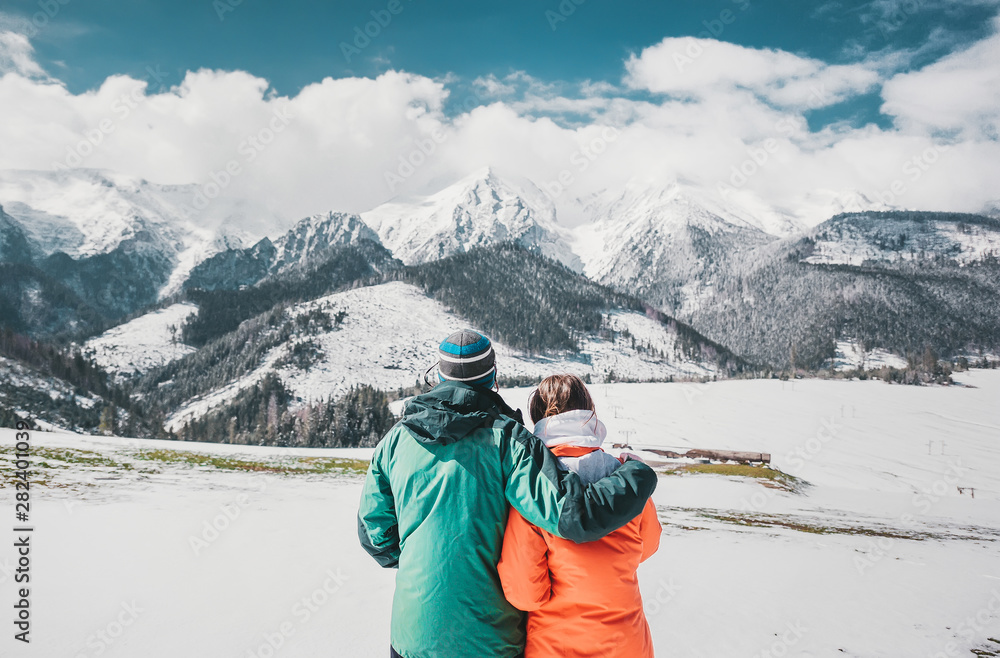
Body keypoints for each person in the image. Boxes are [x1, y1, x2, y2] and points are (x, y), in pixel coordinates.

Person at [358, 330, 658, 658]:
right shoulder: (511, 443)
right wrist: (636, 473)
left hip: (412, 635)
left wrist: (428, 560)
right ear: (493, 378)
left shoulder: (395, 441)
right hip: (490, 641)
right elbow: (571, 515)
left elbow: (376, 537)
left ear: (438, 376)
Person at [497, 374, 661, 658]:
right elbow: (648, 546)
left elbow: (524, 593)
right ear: (589, 413)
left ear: (538, 420)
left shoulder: (535, 491)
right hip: (627, 643)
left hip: (555, 646)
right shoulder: (628, 481)